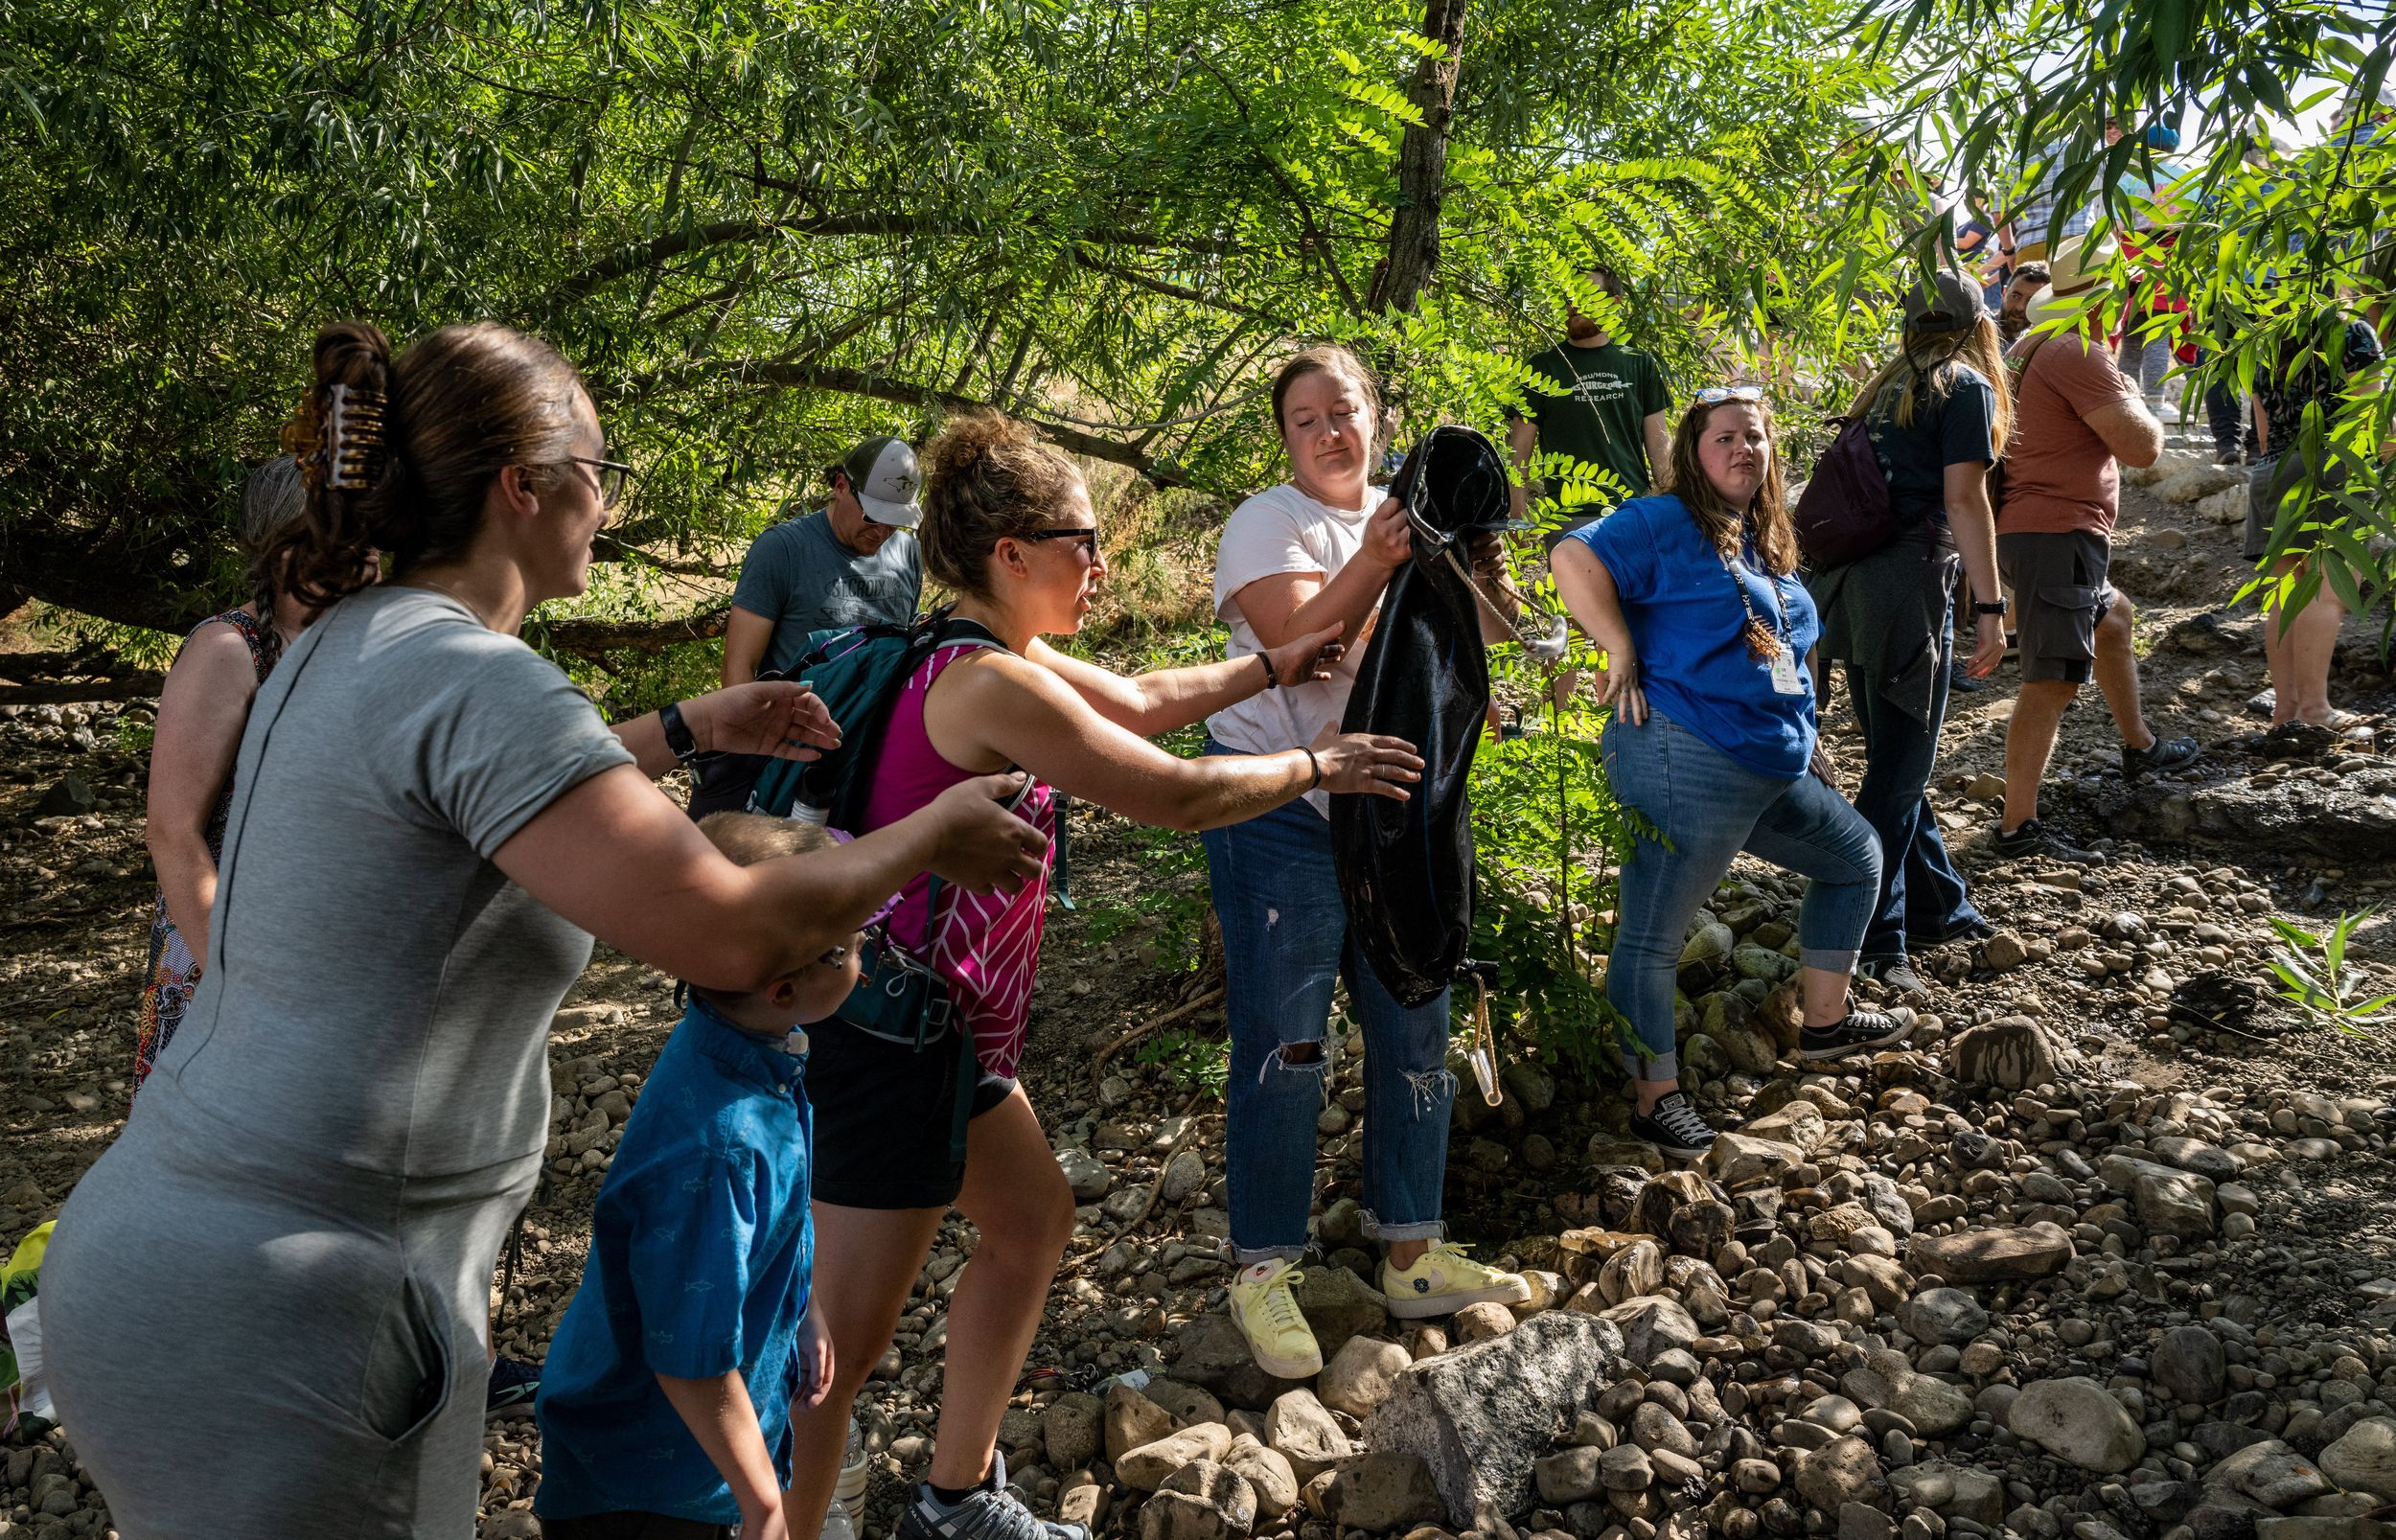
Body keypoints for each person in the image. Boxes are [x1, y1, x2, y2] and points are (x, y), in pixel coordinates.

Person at [40, 319, 1046, 1540]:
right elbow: (727, 932)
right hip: (299, 1303)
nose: (607, 501)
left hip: (161, 1257)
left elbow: (483, 812)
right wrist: (927, 835)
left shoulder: (349, 639)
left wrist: (688, 727)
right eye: (600, 468)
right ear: (525, 485)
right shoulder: (478, 678)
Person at [781, 408, 1424, 1540]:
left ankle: (955, 1496)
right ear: (1010, 553)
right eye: (1082, 539)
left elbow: (1136, 699)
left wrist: (1273, 662)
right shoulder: (985, 683)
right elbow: (1171, 793)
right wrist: (1321, 762)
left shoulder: (1000, 658)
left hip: (951, 1039)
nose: (1102, 560)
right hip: (886, 1039)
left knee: (1031, 1220)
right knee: (839, 1340)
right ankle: (783, 1521)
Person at [1207, 344, 1536, 1382]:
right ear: (1285, 440)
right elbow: (1297, 645)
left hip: (1397, 804)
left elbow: (1496, 644)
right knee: (1285, 1038)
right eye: (1304, 419)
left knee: (1414, 1010)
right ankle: (1263, 1265)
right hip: (1281, 805)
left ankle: (1411, 1244)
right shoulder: (1269, 523)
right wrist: (1383, 560)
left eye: (1342, 410)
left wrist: (1479, 571)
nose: (1327, 431)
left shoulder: (1411, 520)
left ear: (1376, 417)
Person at [1552, 386, 1906, 1161]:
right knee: (1650, 937)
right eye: (1725, 438)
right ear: (1693, 450)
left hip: (1771, 766)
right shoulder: (1663, 520)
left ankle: (1825, 1023)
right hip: (1687, 756)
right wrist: (1617, 645)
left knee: (1856, 859)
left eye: (1756, 437)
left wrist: (1808, 733)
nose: (1744, 449)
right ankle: (1656, 1099)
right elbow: (1571, 556)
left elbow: (1787, 645)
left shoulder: (1762, 536)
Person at [535, 813, 866, 1540]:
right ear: (783, 989)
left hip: (687, 1458)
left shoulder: (745, 1048)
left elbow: (760, 1241)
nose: (865, 950)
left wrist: (800, 1306)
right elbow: (689, 1360)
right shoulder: (722, 1144)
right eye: (845, 946)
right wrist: (764, 1502)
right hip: (648, 1486)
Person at [1809, 271, 2012, 997]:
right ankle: (1872, 939)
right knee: (1897, 778)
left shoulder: (1885, 387)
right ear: (1975, 325)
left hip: (1853, 592)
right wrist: (1990, 608)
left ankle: (1939, 907)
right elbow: (1965, 498)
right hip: (1908, 595)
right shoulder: (1963, 386)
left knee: (1899, 762)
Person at [1992, 237, 2200, 862]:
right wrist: (2141, 400)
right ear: (2112, 298)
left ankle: (2139, 745)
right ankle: (2016, 826)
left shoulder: (2030, 346)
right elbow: (2142, 447)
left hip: (2037, 529)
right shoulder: (2079, 352)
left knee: (2114, 619)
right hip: (2056, 533)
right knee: (2052, 679)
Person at [135, 455, 311, 1094]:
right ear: (285, 543)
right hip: (226, 970)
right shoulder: (227, 650)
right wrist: (240, 985)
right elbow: (172, 833)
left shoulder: (344, 649)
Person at [696, 437, 929, 816]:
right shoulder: (782, 549)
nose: (883, 530)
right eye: (873, 515)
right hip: (790, 755)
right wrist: (751, 759)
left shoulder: (908, 554)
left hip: (872, 754)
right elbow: (737, 668)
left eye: (897, 520)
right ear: (840, 486)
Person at [1507, 264, 1672, 703]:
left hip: (1631, 514)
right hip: (1567, 516)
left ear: (1614, 304)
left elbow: (1660, 449)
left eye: (1589, 296)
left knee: (1623, 622)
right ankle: (1556, 724)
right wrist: (1520, 522)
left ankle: (1614, 723)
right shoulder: (1541, 368)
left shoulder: (1639, 364)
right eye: (1570, 298)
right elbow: (1517, 456)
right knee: (1569, 622)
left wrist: (1676, 510)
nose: (1576, 306)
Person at [2244, 309, 2385, 730]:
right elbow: (2369, 416)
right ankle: (2316, 709)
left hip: (2272, 470)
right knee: (2329, 588)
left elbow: (2264, 432)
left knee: (2286, 595)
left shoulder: (2263, 344)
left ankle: (2285, 711)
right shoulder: (2354, 331)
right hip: (2332, 463)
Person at [1997, 261, 2050, 347]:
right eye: (2015, 296)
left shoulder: (2032, 346)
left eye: (2031, 301)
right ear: (2004, 293)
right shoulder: (1977, 330)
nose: (2020, 307)